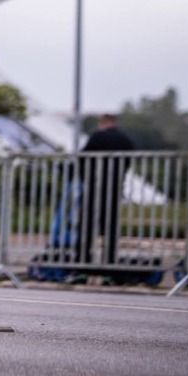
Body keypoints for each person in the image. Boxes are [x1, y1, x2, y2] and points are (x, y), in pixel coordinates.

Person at [78, 113, 135, 265]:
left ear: (103, 123)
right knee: (110, 225)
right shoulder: (125, 139)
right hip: (115, 186)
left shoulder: (97, 137)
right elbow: (129, 160)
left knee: (87, 225)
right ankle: (109, 260)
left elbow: (83, 156)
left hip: (95, 186)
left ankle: (83, 260)